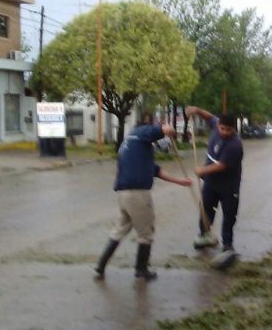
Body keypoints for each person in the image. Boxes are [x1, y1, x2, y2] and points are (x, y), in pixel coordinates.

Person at [93, 121, 192, 281]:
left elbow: (155, 170)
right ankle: (141, 270)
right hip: (138, 193)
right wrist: (168, 130)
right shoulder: (141, 133)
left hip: (123, 193)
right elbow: (161, 129)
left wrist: (180, 181)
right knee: (146, 233)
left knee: (120, 229)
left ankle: (101, 265)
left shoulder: (131, 144)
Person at [186, 106, 244, 253]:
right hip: (211, 184)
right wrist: (197, 110)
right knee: (205, 210)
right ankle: (205, 235)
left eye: (228, 130)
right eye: (222, 128)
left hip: (229, 187)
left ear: (234, 130)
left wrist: (202, 170)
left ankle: (227, 244)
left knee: (229, 215)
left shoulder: (235, 145)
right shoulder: (215, 125)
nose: (224, 132)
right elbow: (209, 116)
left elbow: (221, 166)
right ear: (218, 125)